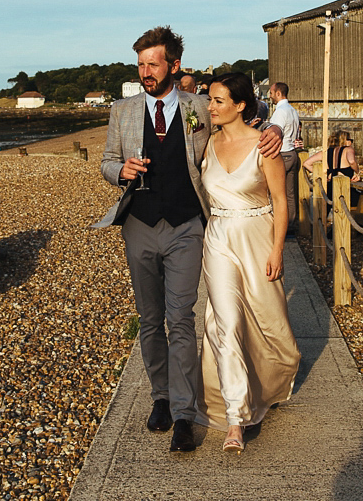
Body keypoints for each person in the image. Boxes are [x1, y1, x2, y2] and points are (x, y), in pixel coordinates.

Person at [98, 26, 281, 454]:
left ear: (173, 66)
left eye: (153, 64)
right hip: (138, 225)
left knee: (181, 318)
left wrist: (273, 131)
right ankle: (159, 397)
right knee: (149, 318)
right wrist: (118, 171)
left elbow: (242, 117)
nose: (145, 72)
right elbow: (106, 161)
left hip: (186, 226)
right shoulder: (121, 111)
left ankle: (183, 413)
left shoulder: (198, 106)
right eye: (140, 64)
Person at [194, 73, 300, 454]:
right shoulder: (204, 143)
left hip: (257, 235)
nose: (210, 107)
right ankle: (235, 419)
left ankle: (267, 383)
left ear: (240, 105)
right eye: (210, 100)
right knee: (226, 321)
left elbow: (280, 200)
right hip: (219, 237)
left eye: (219, 101)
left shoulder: (264, 146)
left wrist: (277, 250)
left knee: (266, 319)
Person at [267, 82, 301, 237]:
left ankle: (278, 226)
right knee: (290, 193)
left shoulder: (280, 112)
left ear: (278, 93)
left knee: (276, 194)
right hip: (293, 153)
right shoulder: (292, 110)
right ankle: (291, 226)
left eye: (272, 93)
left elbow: (275, 133)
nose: (270, 96)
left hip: (282, 153)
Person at [303, 130, 360, 205]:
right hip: (345, 191)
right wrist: (357, 171)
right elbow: (352, 161)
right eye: (350, 140)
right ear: (345, 140)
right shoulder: (348, 149)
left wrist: (321, 174)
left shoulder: (325, 152)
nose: (351, 142)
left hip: (329, 191)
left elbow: (306, 163)